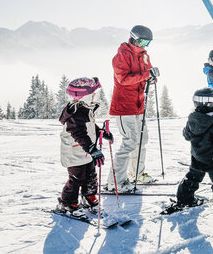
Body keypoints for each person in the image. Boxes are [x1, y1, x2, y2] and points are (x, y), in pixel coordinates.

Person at [106, 24, 158, 192]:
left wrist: (151, 79)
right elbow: (123, 79)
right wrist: (145, 76)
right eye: (142, 42)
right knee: (129, 142)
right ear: (133, 38)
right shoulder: (121, 56)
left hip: (138, 105)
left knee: (142, 140)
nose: (144, 46)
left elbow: (145, 75)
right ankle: (116, 181)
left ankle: (137, 173)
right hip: (124, 106)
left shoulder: (144, 56)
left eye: (147, 43)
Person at [176, 87, 213, 219]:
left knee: (193, 177)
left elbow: (186, 135)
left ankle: (185, 198)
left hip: (197, 157)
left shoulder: (192, 119)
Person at [57, 77, 112, 215]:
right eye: (92, 93)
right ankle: (68, 203)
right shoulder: (75, 112)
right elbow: (79, 133)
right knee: (77, 177)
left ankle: (89, 197)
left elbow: (90, 127)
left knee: (90, 174)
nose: (94, 96)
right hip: (74, 151)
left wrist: (102, 133)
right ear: (85, 96)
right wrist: (92, 149)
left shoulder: (85, 108)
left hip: (85, 150)